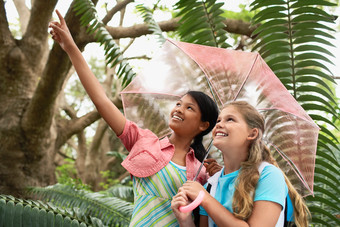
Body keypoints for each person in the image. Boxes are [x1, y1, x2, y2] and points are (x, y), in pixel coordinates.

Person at [49, 10, 220, 226]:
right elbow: (102, 101)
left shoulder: (202, 171)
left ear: (204, 125)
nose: (178, 109)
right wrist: (72, 48)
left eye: (189, 108)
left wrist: (217, 179)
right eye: (178, 104)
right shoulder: (144, 141)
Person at [171, 101, 310, 227]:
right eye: (218, 120)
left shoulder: (269, 175)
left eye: (230, 119)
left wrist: (205, 199)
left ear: (252, 133)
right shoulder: (211, 185)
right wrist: (185, 220)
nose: (218, 124)